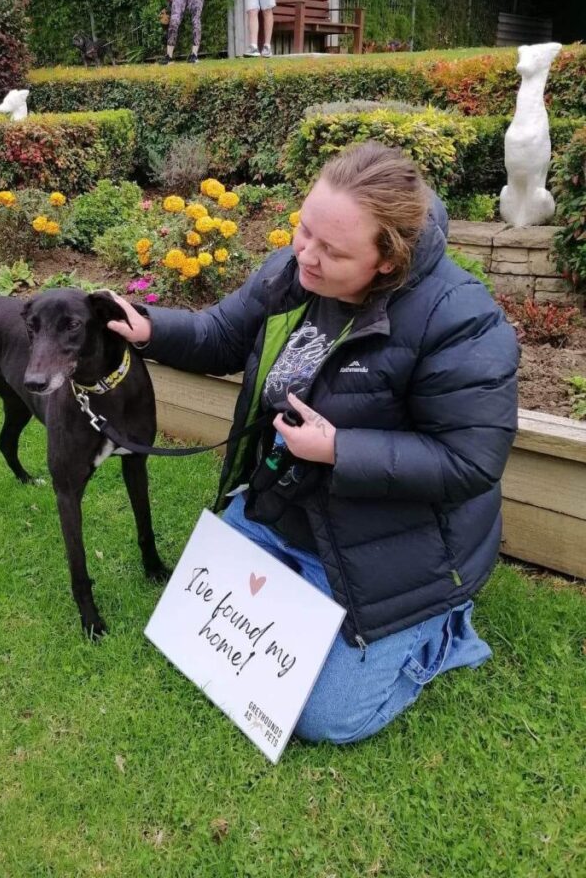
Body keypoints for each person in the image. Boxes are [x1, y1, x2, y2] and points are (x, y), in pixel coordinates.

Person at [108, 141, 519, 745]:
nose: (306, 253)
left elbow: (471, 461)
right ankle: (300, 583)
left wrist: (340, 451)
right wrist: (149, 327)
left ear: (387, 260)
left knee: (327, 717)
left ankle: (442, 626)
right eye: (304, 229)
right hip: (285, 505)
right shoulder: (292, 271)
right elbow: (221, 334)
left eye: (332, 250)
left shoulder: (459, 319)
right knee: (193, 626)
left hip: (390, 542)